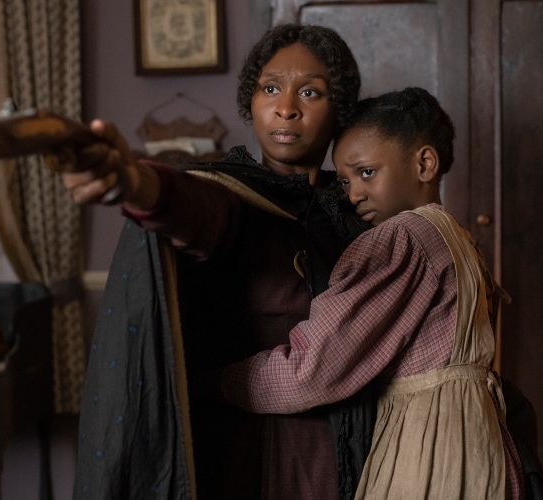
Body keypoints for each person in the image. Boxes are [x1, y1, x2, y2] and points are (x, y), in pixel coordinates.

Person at [64, 24, 374, 500]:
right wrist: (128, 180)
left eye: (310, 92)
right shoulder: (232, 198)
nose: (286, 107)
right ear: (251, 100)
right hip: (246, 455)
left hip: (351, 449)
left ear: (341, 110)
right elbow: (186, 206)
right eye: (270, 88)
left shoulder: (357, 211)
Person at [218, 87, 526, 499]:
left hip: (429, 450)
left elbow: (315, 368)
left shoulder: (401, 238)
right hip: (482, 448)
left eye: (366, 173)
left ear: (424, 163)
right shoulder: (458, 239)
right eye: (345, 180)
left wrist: (223, 380)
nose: (353, 195)